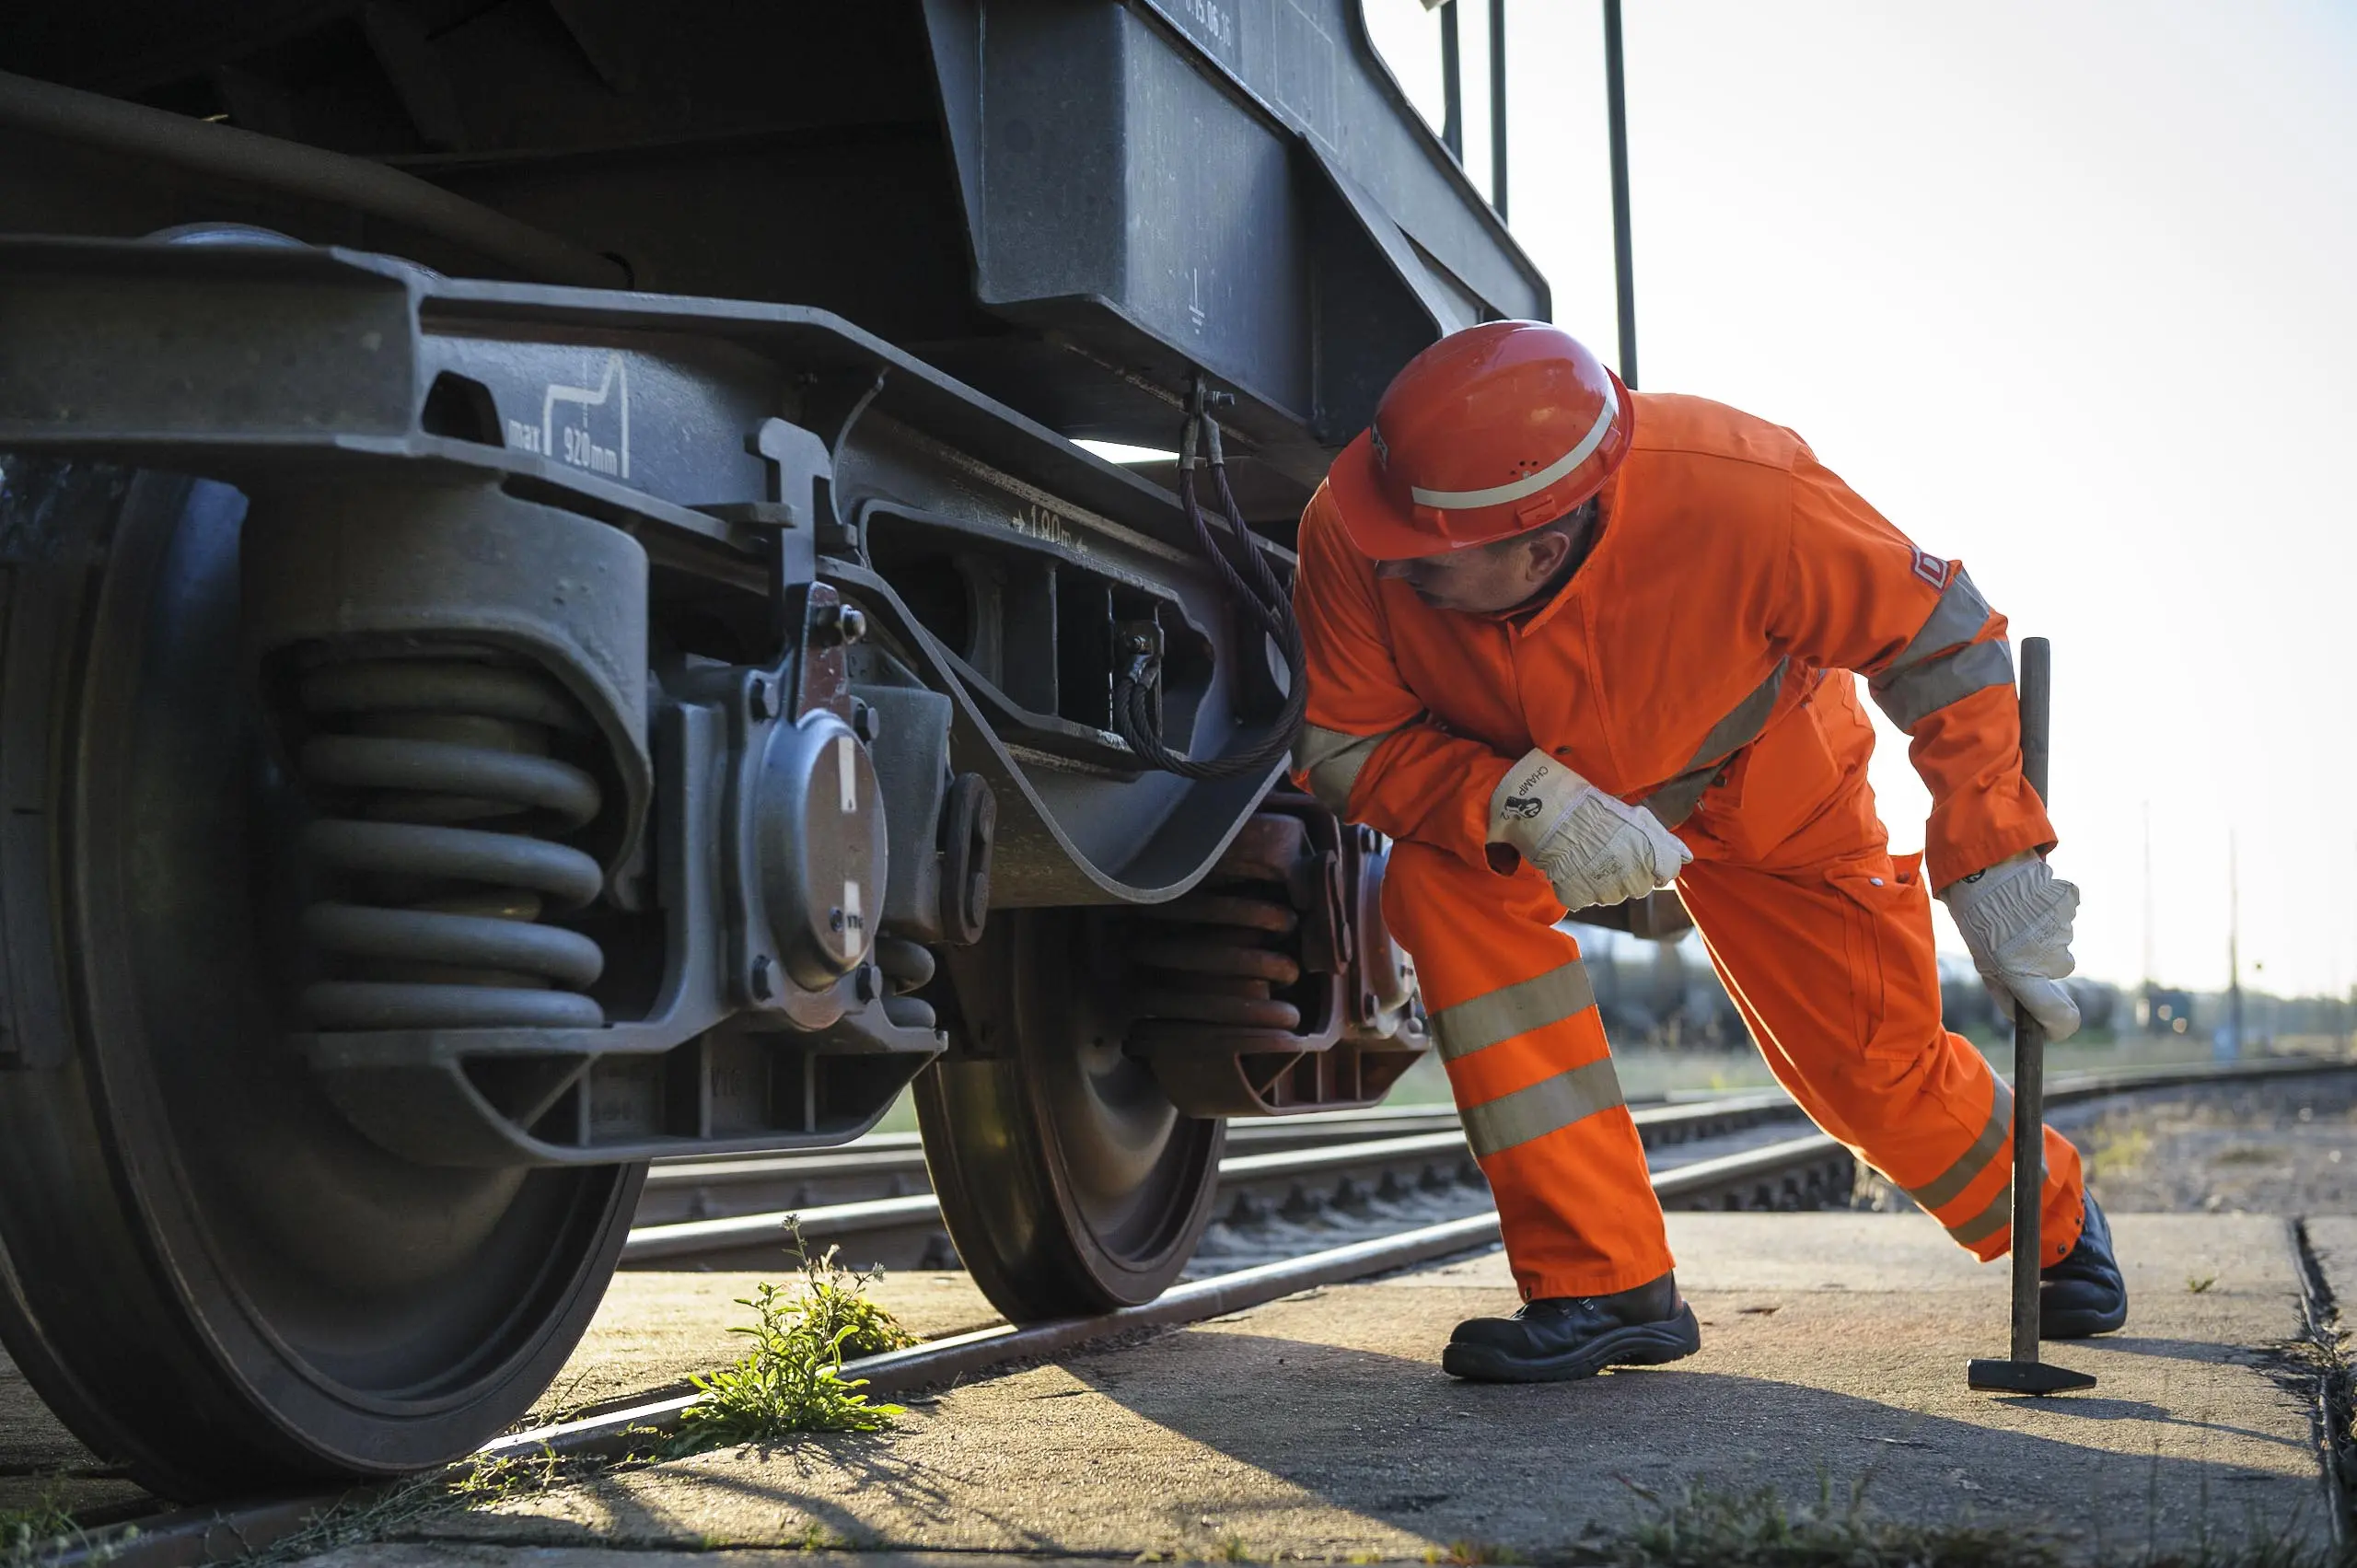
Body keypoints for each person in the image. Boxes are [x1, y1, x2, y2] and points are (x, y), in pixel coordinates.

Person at [1290, 320, 2125, 1382]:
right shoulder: (1362, 526)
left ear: (1540, 547)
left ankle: (2054, 1222)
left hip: (1772, 794)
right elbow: (1344, 745)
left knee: (1868, 1069)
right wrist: (1512, 800)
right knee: (1438, 882)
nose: (1388, 569)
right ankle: (1602, 1282)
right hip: (1537, 800)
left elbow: (1940, 633)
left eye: (1426, 569)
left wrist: (1992, 853)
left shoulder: (1746, 492)